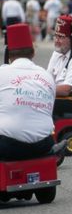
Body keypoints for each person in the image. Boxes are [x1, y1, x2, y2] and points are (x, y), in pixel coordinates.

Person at [0, 24, 55, 160]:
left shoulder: (2, 72)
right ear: (33, 52)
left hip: (8, 146)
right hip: (44, 144)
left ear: (8, 53)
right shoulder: (47, 76)